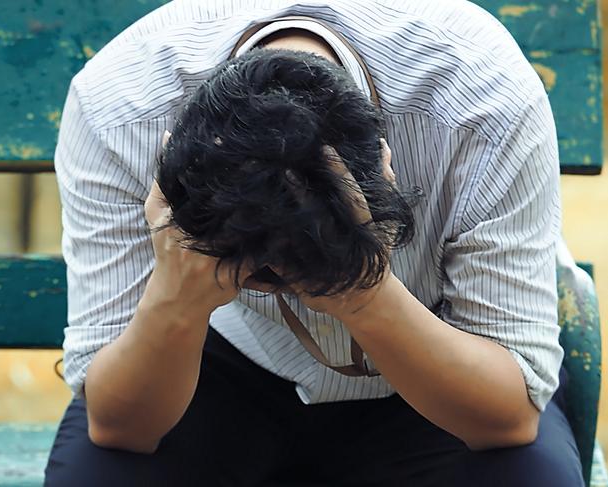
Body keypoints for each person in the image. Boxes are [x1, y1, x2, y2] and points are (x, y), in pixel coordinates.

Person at [44, 1, 583, 485]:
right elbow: (119, 428)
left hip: (440, 342)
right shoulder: (119, 105)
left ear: (386, 166)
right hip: (220, 360)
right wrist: (179, 294)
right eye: (258, 268)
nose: (285, 285)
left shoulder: (481, 96)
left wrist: (362, 291)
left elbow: (507, 420)